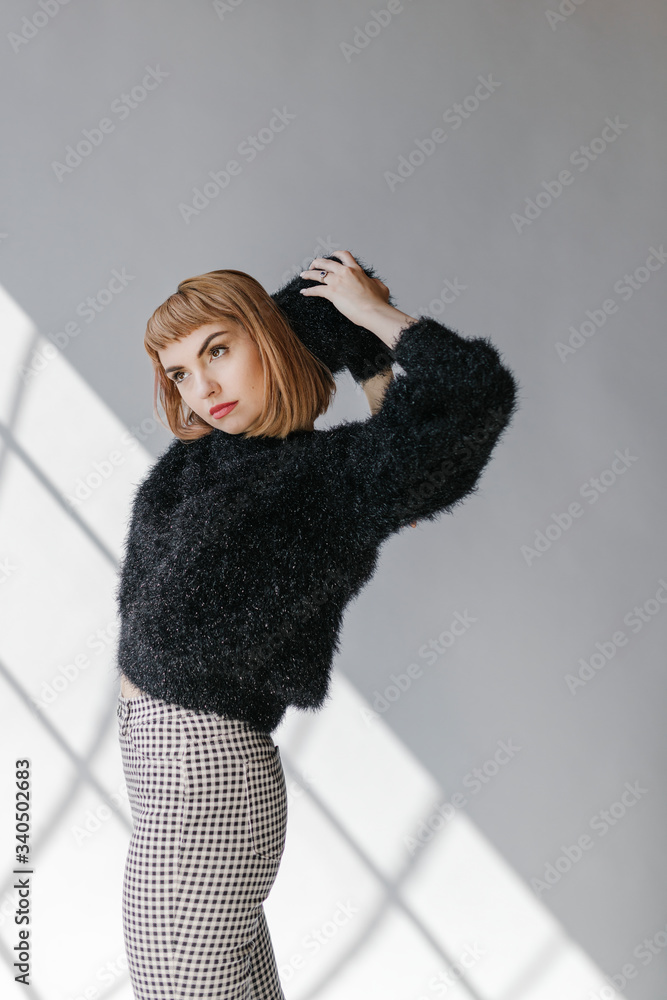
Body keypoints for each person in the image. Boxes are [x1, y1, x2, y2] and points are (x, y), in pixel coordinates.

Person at [114, 249, 520, 999]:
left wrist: (377, 317)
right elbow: (302, 307)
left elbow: (472, 392)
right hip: (177, 780)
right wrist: (368, 367)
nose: (202, 387)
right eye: (179, 373)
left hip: (203, 779)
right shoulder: (222, 452)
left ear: (259, 346)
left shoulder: (333, 478)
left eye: (217, 352)